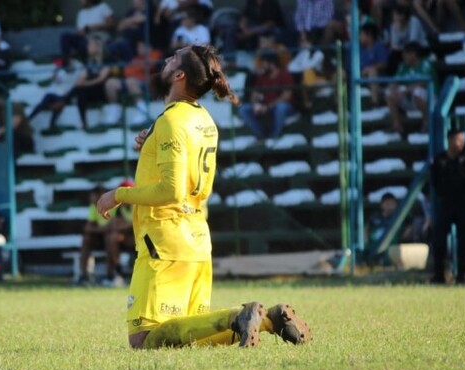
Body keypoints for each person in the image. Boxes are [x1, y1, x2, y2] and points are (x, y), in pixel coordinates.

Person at [96, 44, 311, 349]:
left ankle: (238, 316)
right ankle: (268, 320)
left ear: (179, 75)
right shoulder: (204, 119)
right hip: (196, 239)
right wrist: (151, 142)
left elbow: (171, 190)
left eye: (172, 59)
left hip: (164, 241)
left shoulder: (171, 121)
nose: (166, 61)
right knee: (192, 337)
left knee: (142, 340)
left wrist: (118, 195)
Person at [431, 129, 465, 284]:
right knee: (439, 240)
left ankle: (462, 275)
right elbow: (435, 182)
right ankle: (439, 275)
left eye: (462, 140)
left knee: (464, 240)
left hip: (464, 204)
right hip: (445, 204)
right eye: (458, 139)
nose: (461, 143)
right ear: (450, 140)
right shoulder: (439, 160)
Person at [76, 184, 134, 287]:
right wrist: (104, 229)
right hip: (105, 235)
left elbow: (117, 225)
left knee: (111, 238)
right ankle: (83, 275)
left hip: (122, 237)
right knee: (87, 238)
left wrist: (104, 229)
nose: (91, 199)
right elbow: (88, 228)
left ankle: (111, 274)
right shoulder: (94, 206)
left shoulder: (116, 205)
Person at [238, 51, 296, 141]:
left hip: (284, 107)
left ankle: (274, 137)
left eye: (264, 63)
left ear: (271, 64)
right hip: (265, 106)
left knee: (281, 107)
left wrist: (268, 106)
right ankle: (262, 136)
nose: (262, 66)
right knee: (244, 109)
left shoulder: (284, 74)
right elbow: (254, 94)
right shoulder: (262, 77)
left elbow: (287, 96)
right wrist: (256, 105)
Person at [103, 40, 163, 126]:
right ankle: (115, 114)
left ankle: (142, 112)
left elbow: (150, 66)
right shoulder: (136, 58)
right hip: (131, 80)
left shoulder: (155, 54)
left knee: (131, 81)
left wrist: (138, 69)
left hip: (147, 81)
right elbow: (127, 71)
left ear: (148, 47)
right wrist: (138, 68)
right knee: (110, 83)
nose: (138, 49)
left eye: (141, 46)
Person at [385, 41, 434, 137]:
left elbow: (423, 83)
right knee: (388, 93)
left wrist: (405, 90)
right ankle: (397, 126)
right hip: (410, 98)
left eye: (405, 54)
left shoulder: (425, 63)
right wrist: (394, 89)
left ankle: (427, 124)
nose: (403, 56)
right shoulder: (404, 66)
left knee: (418, 92)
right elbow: (394, 81)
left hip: (430, 99)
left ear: (414, 54)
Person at [66, 36, 115, 129]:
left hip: (102, 90)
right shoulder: (89, 62)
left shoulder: (107, 61)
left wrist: (84, 84)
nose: (87, 47)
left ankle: (63, 100)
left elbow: (101, 79)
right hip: (90, 90)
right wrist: (81, 84)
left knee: (80, 88)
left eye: (90, 45)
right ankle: (84, 122)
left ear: (97, 47)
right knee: (80, 92)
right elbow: (81, 78)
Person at [386, 3, 428, 75]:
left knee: (410, 52)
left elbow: (413, 42)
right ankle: (392, 78)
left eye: (395, 15)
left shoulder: (414, 21)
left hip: (420, 48)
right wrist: (398, 29)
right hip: (403, 49)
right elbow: (394, 45)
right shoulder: (394, 25)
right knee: (392, 56)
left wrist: (400, 48)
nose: (393, 17)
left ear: (402, 16)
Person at [359, 22, 389, 107]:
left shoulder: (379, 47)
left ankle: (374, 102)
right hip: (361, 75)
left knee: (372, 71)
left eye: (362, 34)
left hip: (378, 77)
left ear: (369, 35)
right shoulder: (360, 49)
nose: (360, 37)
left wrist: (369, 69)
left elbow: (384, 64)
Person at [365, 192, 399, 259]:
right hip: (373, 247)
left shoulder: (399, 217)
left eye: (392, 203)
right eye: (387, 203)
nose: (390, 206)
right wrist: (366, 243)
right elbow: (365, 229)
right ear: (382, 204)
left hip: (391, 249)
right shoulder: (374, 217)